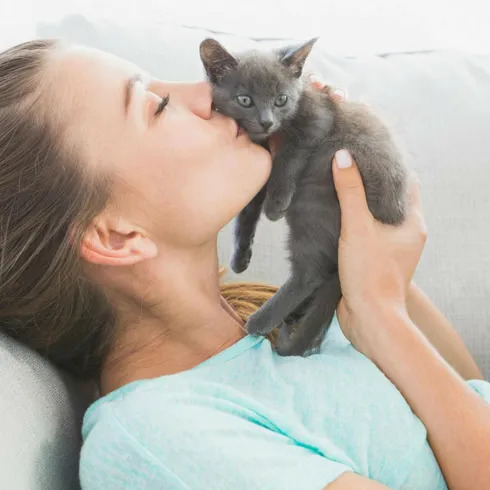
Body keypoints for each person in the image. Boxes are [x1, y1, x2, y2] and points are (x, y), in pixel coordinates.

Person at [0, 39, 488, 490]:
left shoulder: (281, 318)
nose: (210, 93)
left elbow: (472, 398)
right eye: (157, 105)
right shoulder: (157, 439)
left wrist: (363, 251)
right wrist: (381, 312)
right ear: (118, 237)